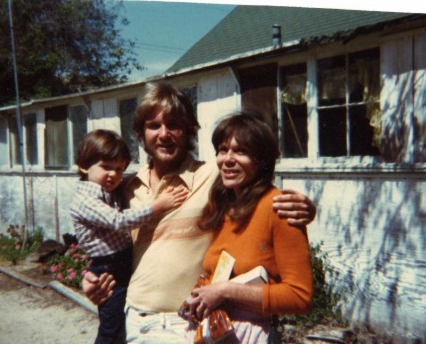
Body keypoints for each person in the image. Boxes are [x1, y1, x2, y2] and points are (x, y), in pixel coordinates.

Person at [82, 82, 317, 343]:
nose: (164, 134)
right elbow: (108, 243)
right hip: (135, 319)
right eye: (154, 126)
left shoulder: (214, 178)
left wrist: (306, 206)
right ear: (140, 134)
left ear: (188, 132)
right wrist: (92, 279)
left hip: (186, 323)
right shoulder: (126, 188)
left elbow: (256, 187)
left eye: (174, 125)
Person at [182, 113, 313, 343]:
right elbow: (217, 273)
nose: (228, 159)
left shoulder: (279, 208)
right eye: (223, 150)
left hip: (252, 335)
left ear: (262, 161)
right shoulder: (224, 206)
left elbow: (300, 296)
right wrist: (200, 296)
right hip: (217, 330)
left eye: (241, 151)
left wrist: (225, 291)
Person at [71, 129, 188, 344]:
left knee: (125, 324)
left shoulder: (111, 191)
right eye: (106, 167)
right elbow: (118, 221)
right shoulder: (84, 199)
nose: (114, 175)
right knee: (112, 329)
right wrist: (157, 206)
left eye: (120, 169)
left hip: (124, 263)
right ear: (83, 165)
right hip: (109, 269)